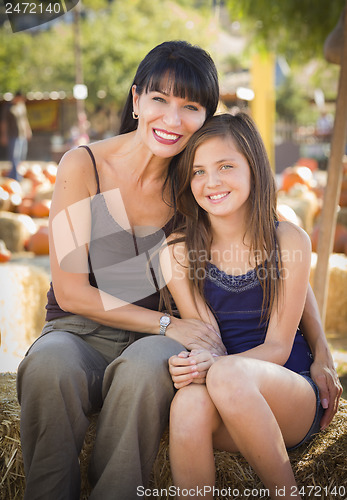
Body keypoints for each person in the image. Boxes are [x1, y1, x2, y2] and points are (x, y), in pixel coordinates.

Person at [16, 40, 340, 500]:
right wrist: (173, 323)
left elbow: (279, 244)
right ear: (136, 100)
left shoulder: (197, 179)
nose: (172, 119)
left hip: (155, 343)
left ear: (207, 118)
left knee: (146, 371)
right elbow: (71, 293)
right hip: (84, 328)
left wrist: (323, 349)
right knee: (48, 366)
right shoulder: (86, 165)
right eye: (159, 100)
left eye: (190, 107)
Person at [161, 113, 342, 500]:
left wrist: (218, 367)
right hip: (223, 395)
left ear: (254, 168)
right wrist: (193, 363)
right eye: (198, 171)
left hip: (288, 391)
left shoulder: (287, 240)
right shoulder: (178, 251)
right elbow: (207, 340)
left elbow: (278, 347)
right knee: (188, 403)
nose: (211, 182)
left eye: (226, 166)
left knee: (226, 375)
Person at [0, 91, 32, 181]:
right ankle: (15, 177)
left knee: (21, 157)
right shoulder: (8, 107)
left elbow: (25, 119)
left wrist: (28, 130)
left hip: (22, 135)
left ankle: (18, 175)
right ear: (17, 97)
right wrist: (4, 135)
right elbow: (4, 123)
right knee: (14, 157)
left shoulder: (21, 106)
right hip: (13, 135)